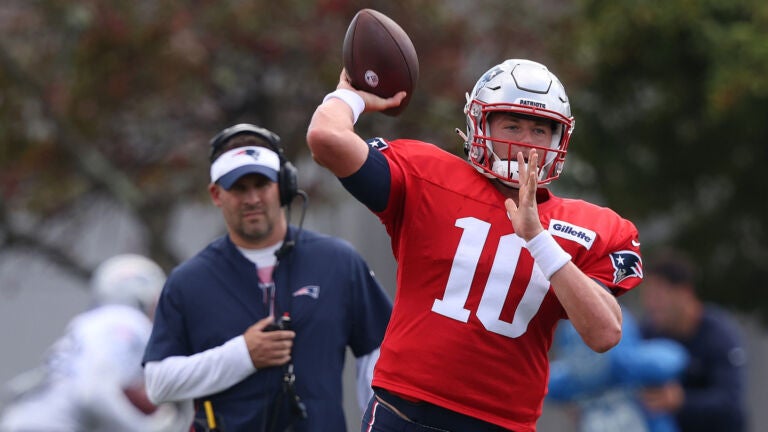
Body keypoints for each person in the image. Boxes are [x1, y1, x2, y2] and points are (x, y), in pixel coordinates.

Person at [306, 58, 644, 432]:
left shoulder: (590, 227)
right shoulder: (427, 176)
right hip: (405, 414)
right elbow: (327, 140)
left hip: (502, 424)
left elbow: (604, 334)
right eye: (512, 125)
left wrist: (539, 240)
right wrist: (349, 97)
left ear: (557, 140)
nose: (525, 143)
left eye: (539, 130)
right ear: (479, 123)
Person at [142, 123, 393, 432]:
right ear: (216, 194)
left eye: (261, 184)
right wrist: (243, 354)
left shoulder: (338, 262)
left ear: (283, 186)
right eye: (239, 187)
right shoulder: (188, 281)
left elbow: (380, 355)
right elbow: (158, 383)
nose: (252, 199)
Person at [0, 254, 193, 432]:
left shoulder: (90, 323)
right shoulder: (125, 322)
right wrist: (146, 427)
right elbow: (93, 391)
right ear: (140, 295)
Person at [639, 249, 747, 432]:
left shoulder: (719, 334)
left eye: (658, 295)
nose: (651, 304)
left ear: (685, 292)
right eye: (647, 295)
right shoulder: (648, 333)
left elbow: (730, 402)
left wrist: (681, 401)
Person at [547, 306, 689, 432]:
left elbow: (673, 358)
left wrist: (627, 361)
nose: (587, 354)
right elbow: (546, 383)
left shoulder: (634, 369)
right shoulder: (572, 382)